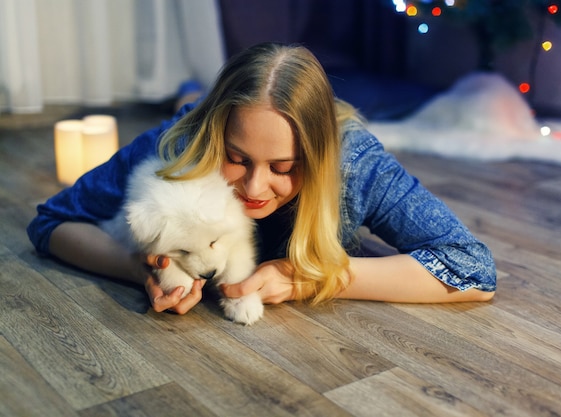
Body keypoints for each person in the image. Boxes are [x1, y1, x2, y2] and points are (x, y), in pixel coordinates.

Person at [27, 42, 496, 315]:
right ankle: (190, 94)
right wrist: (140, 269)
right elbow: (51, 223)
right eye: (236, 158)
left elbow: (474, 270)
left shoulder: (355, 164)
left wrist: (306, 279)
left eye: (284, 168)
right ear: (214, 135)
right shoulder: (176, 144)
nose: (253, 188)